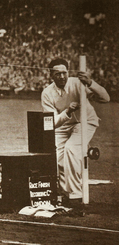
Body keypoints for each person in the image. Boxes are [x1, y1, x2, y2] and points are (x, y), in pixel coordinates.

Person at [41, 58, 110, 204]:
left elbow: (105, 98)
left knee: (71, 150)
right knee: (56, 157)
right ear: (51, 75)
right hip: (63, 125)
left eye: (64, 73)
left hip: (85, 122)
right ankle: (64, 194)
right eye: (57, 74)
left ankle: (76, 195)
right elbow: (53, 122)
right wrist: (68, 111)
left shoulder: (78, 83)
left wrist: (90, 83)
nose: (61, 77)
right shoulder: (47, 93)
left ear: (68, 72)